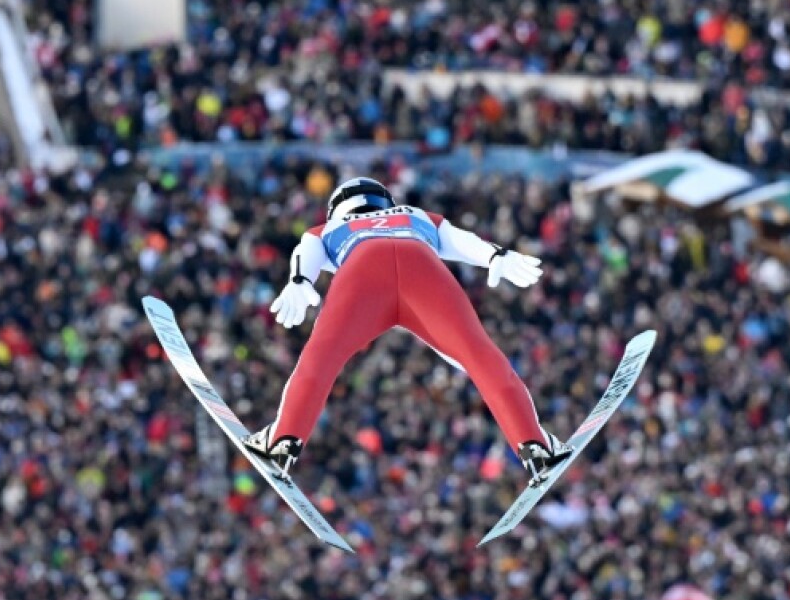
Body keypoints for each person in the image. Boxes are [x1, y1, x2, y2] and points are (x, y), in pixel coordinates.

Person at [243, 177, 573, 485]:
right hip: (421, 265)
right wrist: (495, 256)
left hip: (362, 270)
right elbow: (461, 240)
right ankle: (533, 443)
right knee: (480, 356)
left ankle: (283, 439)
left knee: (321, 358)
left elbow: (307, 252)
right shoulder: (417, 215)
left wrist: (299, 280)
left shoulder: (328, 227)